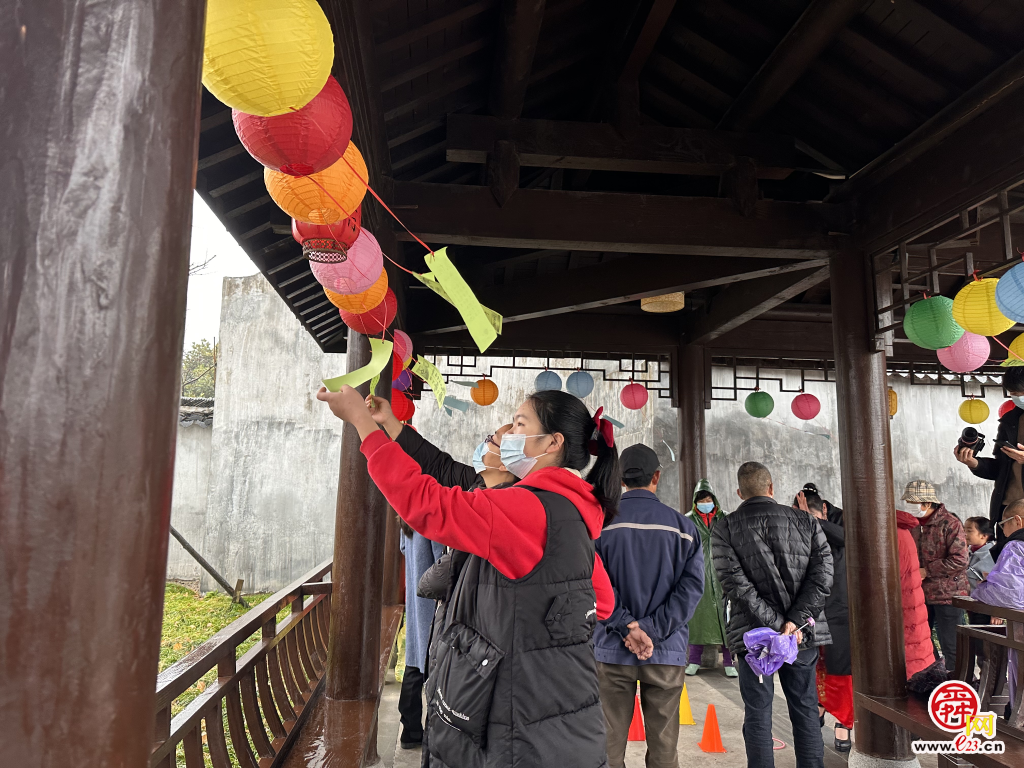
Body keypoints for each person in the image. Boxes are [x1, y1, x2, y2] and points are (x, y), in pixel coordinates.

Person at [318, 385, 619, 768]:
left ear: (552, 443)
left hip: (514, 723)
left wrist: (362, 423)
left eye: (519, 424)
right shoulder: (573, 512)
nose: (507, 434)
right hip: (563, 710)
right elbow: (603, 604)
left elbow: (426, 504)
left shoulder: (524, 507)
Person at [712, 462, 833, 768]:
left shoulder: (725, 527)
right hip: (801, 636)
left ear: (740, 492)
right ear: (771, 488)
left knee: (757, 712)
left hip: (754, 637)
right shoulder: (806, 522)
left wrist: (776, 623)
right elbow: (823, 577)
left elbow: (735, 584)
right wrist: (793, 621)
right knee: (805, 708)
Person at [595, 445, 704, 768]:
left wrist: (627, 626)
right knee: (664, 749)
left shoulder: (600, 524)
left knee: (608, 746)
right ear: (657, 476)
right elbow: (691, 590)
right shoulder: (684, 529)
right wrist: (651, 630)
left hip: (611, 651)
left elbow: (592, 583)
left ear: (619, 479)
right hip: (665, 652)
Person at [796, 490, 851, 752]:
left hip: (839, 612)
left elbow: (847, 539)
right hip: (810, 614)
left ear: (825, 512)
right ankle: (817, 711)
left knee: (840, 672)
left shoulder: (839, 530)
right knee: (814, 669)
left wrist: (812, 520)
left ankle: (844, 722)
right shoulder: (799, 532)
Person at [900, 480, 969, 671]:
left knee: (951, 646)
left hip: (947, 595)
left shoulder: (950, 523)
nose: (909, 506)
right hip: (920, 595)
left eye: (912, 502)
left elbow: (960, 559)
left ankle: (957, 685)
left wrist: (927, 570)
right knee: (923, 645)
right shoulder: (912, 525)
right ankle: (932, 681)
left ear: (928, 503)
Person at [954, 366, 1024, 541]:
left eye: (1019, 392)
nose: (1017, 398)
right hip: (1008, 511)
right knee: (1007, 564)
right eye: (1012, 393)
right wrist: (974, 463)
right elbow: (1000, 468)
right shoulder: (1010, 421)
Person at [398, 523, 445, 749]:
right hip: (432, 601)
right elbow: (442, 561)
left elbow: (403, 549)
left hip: (415, 597)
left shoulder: (406, 517)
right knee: (433, 666)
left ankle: (410, 730)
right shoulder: (430, 517)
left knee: (414, 662)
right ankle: (432, 734)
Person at [973, 501, 1024, 705]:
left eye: (1004, 523)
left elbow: (1009, 593)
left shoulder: (1017, 544)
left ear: (1017, 520)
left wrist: (982, 588)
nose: (1003, 529)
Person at [683, 480, 735, 678]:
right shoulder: (688, 520)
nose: (706, 501)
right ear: (695, 502)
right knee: (697, 619)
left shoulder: (726, 519)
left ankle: (729, 661)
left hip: (723, 574)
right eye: (702, 499)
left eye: (708, 498)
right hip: (699, 574)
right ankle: (694, 661)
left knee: (727, 620)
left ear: (714, 499)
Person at [895, 510, 938, 678]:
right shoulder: (903, 531)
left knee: (912, 657)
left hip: (904, 601)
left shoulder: (888, 534)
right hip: (911, 599)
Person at [965, 516, 996, 590]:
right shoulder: (965, 551)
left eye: (969, 531)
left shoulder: (992, 555)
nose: (964, 534)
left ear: (984, 535)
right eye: (963, 530)